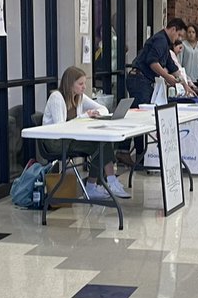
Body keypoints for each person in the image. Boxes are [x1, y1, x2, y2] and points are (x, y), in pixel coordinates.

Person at [41, 66, 131, 200]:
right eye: (80, 84)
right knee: (98, 145)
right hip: (56, 141)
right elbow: (60, 127)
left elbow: (103, 108)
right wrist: (84, 116)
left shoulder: (79, 97)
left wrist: (95, 114)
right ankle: (104, 184)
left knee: (102, 142)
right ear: (70, 84)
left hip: (71, 138)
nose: (84, 87)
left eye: (84, 83)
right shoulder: (57, 98)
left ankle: (99, 185)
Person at [128, 17, 186, 105]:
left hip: (144, 79)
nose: (179, 39)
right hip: (140, 79)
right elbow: (152, 62)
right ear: (173, 29)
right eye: (179, 35)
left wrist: (186, 86)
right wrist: (167, 76)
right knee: (143, 110)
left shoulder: (165, 43)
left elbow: (172, 67)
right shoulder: (161, 40)